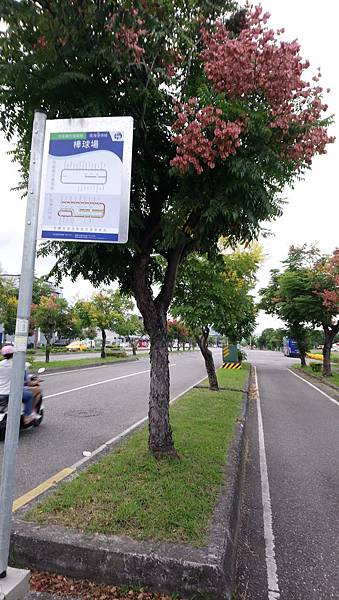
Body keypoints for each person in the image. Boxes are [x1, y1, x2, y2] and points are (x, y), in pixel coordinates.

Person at [0, 345, 37, 425]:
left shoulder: (1, 364)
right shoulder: (19, 365)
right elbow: (27, 381)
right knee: (29, 395)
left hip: (1, 392)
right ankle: (27, 416)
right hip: (12, 393)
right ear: (14, 354)